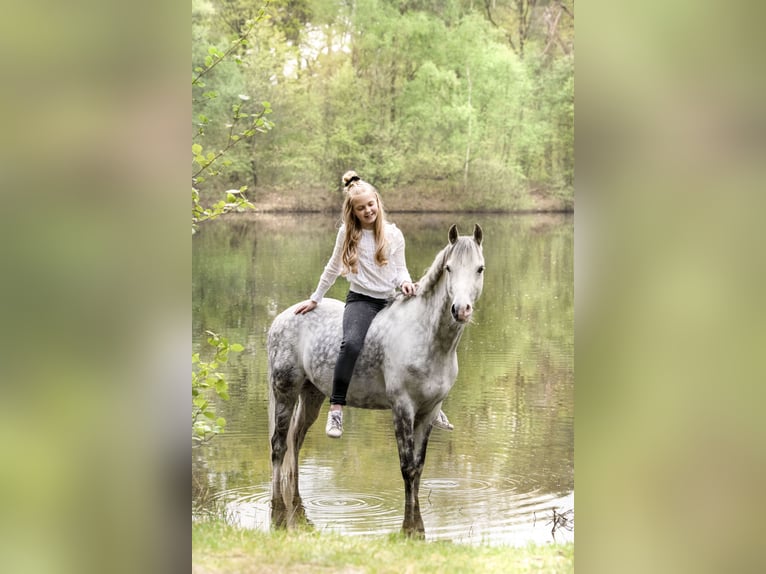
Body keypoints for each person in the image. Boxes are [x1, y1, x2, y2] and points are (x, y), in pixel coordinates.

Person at [295, 170, 454, 438]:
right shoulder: (348, 233)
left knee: (425, 337)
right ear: (353, 212)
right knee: (352, 343)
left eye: (371, 205)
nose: (368, 211)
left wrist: (405, 283)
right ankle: (336, 408)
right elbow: (333, 267)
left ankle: (433, 404)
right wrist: (316, 298)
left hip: (393, 300)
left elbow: (401, 269)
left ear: (378, 203)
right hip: (363, 301)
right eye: (361, 208)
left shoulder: (393, 234)